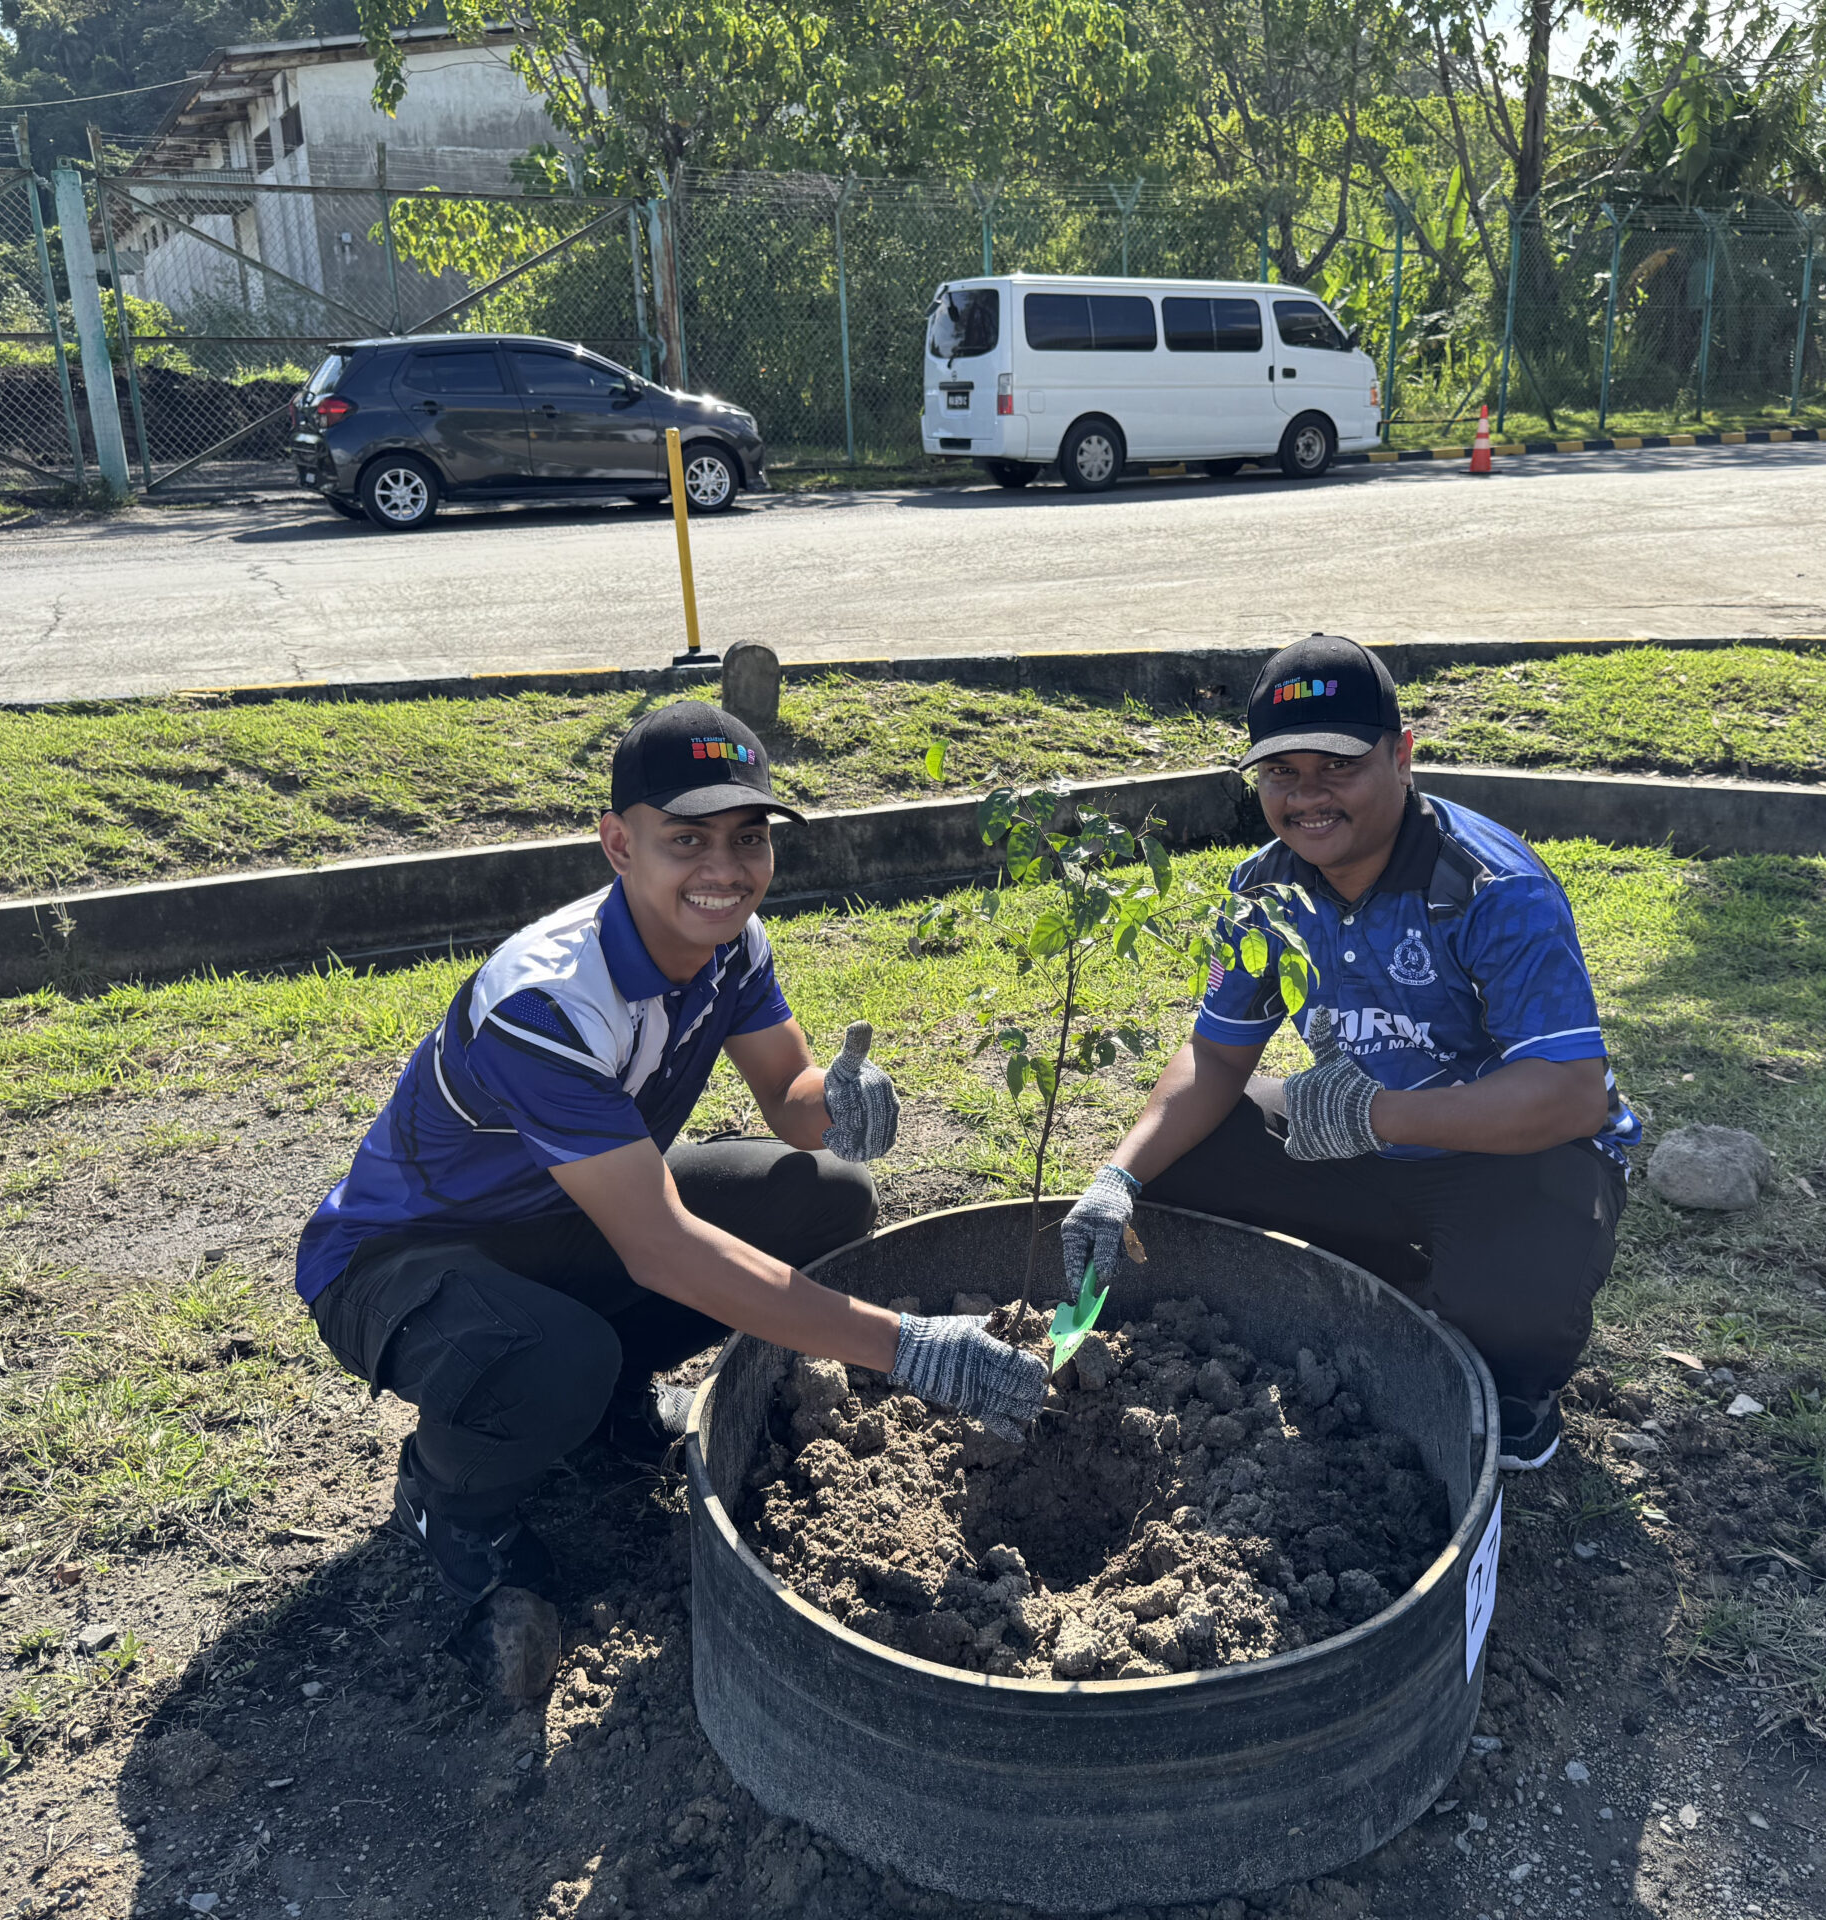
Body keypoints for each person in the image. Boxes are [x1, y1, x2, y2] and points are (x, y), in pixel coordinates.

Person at [294, 701, 1046, 1607]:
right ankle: (451, 1497)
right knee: (554, 1360)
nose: (725, 870)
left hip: (563, 1215)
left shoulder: (730, 947)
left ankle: (605, 1400)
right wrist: (910, 1347)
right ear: (618, 844)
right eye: (687, 839)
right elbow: (659, 1248)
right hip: (399, 1261)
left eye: (749, 836)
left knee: (830, 1194)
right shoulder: (548, 1004)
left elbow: (786, 1094)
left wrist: (837, 1108)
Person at [1060, 635, 1637, 1471]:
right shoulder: (1264, 893)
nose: (1307, 797)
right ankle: (1389, 1297)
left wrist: (1379, 1112)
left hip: (1507, 1154)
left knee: (1513, 1292)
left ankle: (1510, 1385)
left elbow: (1572, 1094)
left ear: (1403, 756)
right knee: (1179, 1165)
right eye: (1281, 773)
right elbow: (1217, 1060)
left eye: (1336, 766)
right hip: (1355, 1143)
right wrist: (1117, 1176)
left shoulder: (1487, 887)